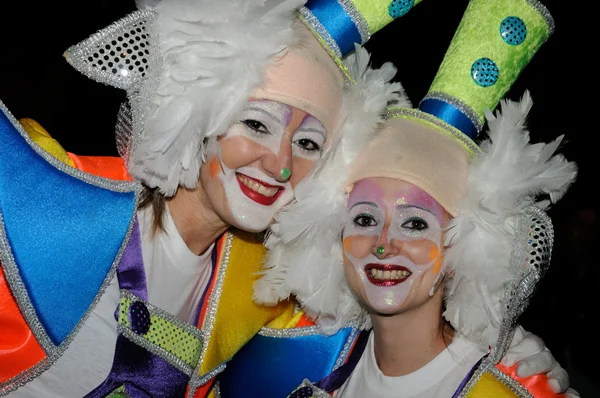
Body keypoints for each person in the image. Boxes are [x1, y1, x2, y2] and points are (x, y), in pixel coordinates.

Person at [0, 0, 408, 396]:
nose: (281, 166)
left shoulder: (258, 290)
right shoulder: (58, 196)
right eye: (255, 125)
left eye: (307, 143)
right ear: (198, 114)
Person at [255, 0, 580, 396]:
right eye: (364, 219)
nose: (383, 245)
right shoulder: (294, 352)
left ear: (461, 244)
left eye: (415, 223)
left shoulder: (505, 391)